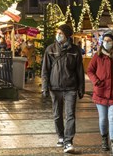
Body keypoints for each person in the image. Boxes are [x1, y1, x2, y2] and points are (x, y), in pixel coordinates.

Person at [41, 24, 85, 154]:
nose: (58, 35)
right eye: (57, 32)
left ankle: (68, 142)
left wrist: (81, 88)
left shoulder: (75, 50)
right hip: (55, 88)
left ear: (67, 35)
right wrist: (45, 87)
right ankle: (60, 136)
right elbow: (45, 70)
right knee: (57, 115)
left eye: (61, 33)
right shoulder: (50, 49)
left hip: (71, 87)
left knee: (70, 115)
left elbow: (79, 71)